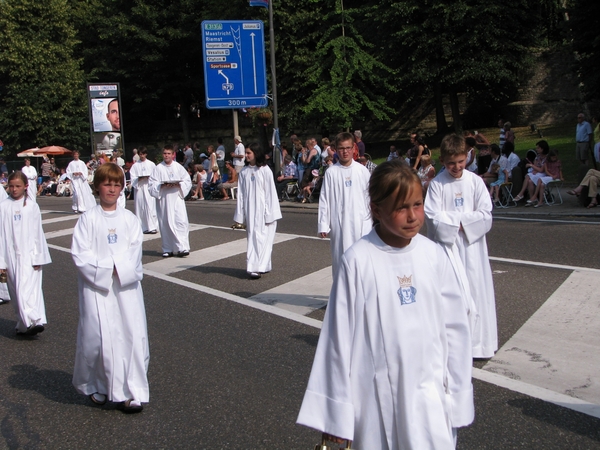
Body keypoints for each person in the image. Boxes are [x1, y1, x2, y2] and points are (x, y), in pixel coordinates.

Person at [297, 160, 474, 449]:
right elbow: (337, 339)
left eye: (417, 205)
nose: (413, 216)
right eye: (401, 208)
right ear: (376, 210)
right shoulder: (358, 260)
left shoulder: (434, 256)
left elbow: (456, 328)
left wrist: (457, 392)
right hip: (375, 397)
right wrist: (335, 414)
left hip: (430, 393)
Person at [71, 163, 149, 414]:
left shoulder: (129, 219)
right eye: (107, 184)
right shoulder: (87, 220)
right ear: (97, 187)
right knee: (99, 338)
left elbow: (135, 251)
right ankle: (99, 384)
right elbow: (80, 255)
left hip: (126, 290)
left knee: (132, 335)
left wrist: (120, 269)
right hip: (97, 290)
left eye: (117, 184)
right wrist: (107, 268)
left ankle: (132, 391)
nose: (112, 189)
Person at [425, 133, 497, 359]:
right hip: (448, 250)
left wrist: (457, 221)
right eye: (450, 163)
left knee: (475, 290)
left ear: (466, 157)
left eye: (460, 161)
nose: (456, 167)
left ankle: (478, 345)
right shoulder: (437, 185)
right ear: (442, 161)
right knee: (451, 293)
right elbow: (432, 217)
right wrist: (464, 220)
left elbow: (485, 214)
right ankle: (452, 345)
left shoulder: (475, 182)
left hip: (472, 249)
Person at [0, 171, 51, 335]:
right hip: (10, 256)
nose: (14, 190)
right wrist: (1, 262)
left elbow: (38, 232)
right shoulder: (3, 207)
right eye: (11, 186)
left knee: (28, 288)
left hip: (29, 255)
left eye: (18, 186)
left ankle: (33, 320)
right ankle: (23, 325)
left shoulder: (31, 206)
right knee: (16, 291)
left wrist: (39, 256)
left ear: (26, 186)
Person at [318, 132, 372, 279]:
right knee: (340, 260)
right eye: (341, 148)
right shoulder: (331, 172)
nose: (345, 151)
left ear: (354, 148)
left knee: (362, 261)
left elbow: (370, 198)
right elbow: (325, 200)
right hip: (339, 224)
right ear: (336, 149)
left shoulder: (362, 171)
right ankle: (341, 296)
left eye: (348, 148)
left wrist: (371, 222)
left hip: (361, 223)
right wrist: (323, 224)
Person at [233, 143, 282, 279]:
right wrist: (240, 215)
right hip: (250, 210)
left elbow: (270, 193)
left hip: (264, 211)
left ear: (256, 153)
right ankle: (254, 267)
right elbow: (241, 195)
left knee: (265, 240)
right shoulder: (244, 172)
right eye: (246, 153)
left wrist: (269, 214)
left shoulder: (265, 170)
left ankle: (262, 265)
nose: (246, 155)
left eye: (249, 153)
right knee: (254, 238)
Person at [149, 145, 192, 258]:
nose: (166, 155)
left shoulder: (178, 167)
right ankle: (168, 248)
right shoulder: (158, 168)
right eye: (165, 153)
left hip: (177, 199)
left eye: (169, 153)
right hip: (164, 200)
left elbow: (187, 181)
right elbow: (151, 184)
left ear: (173, 155)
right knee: (166, 223)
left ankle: (182, 247)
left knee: (180, 222)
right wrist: (161, 186)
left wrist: (179, 184)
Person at [129, 147, 158, 233]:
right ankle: (143, 226)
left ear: (146, 154)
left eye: (143, 154)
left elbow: (156, 176)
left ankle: (153, 226)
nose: (141, 156)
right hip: (140, 188)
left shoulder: (151, 164)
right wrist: (140, 178)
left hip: (148, 187)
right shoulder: (135, 166)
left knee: (150, 206)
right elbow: (133, 178)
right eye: (140, 154)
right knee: (141, 207)